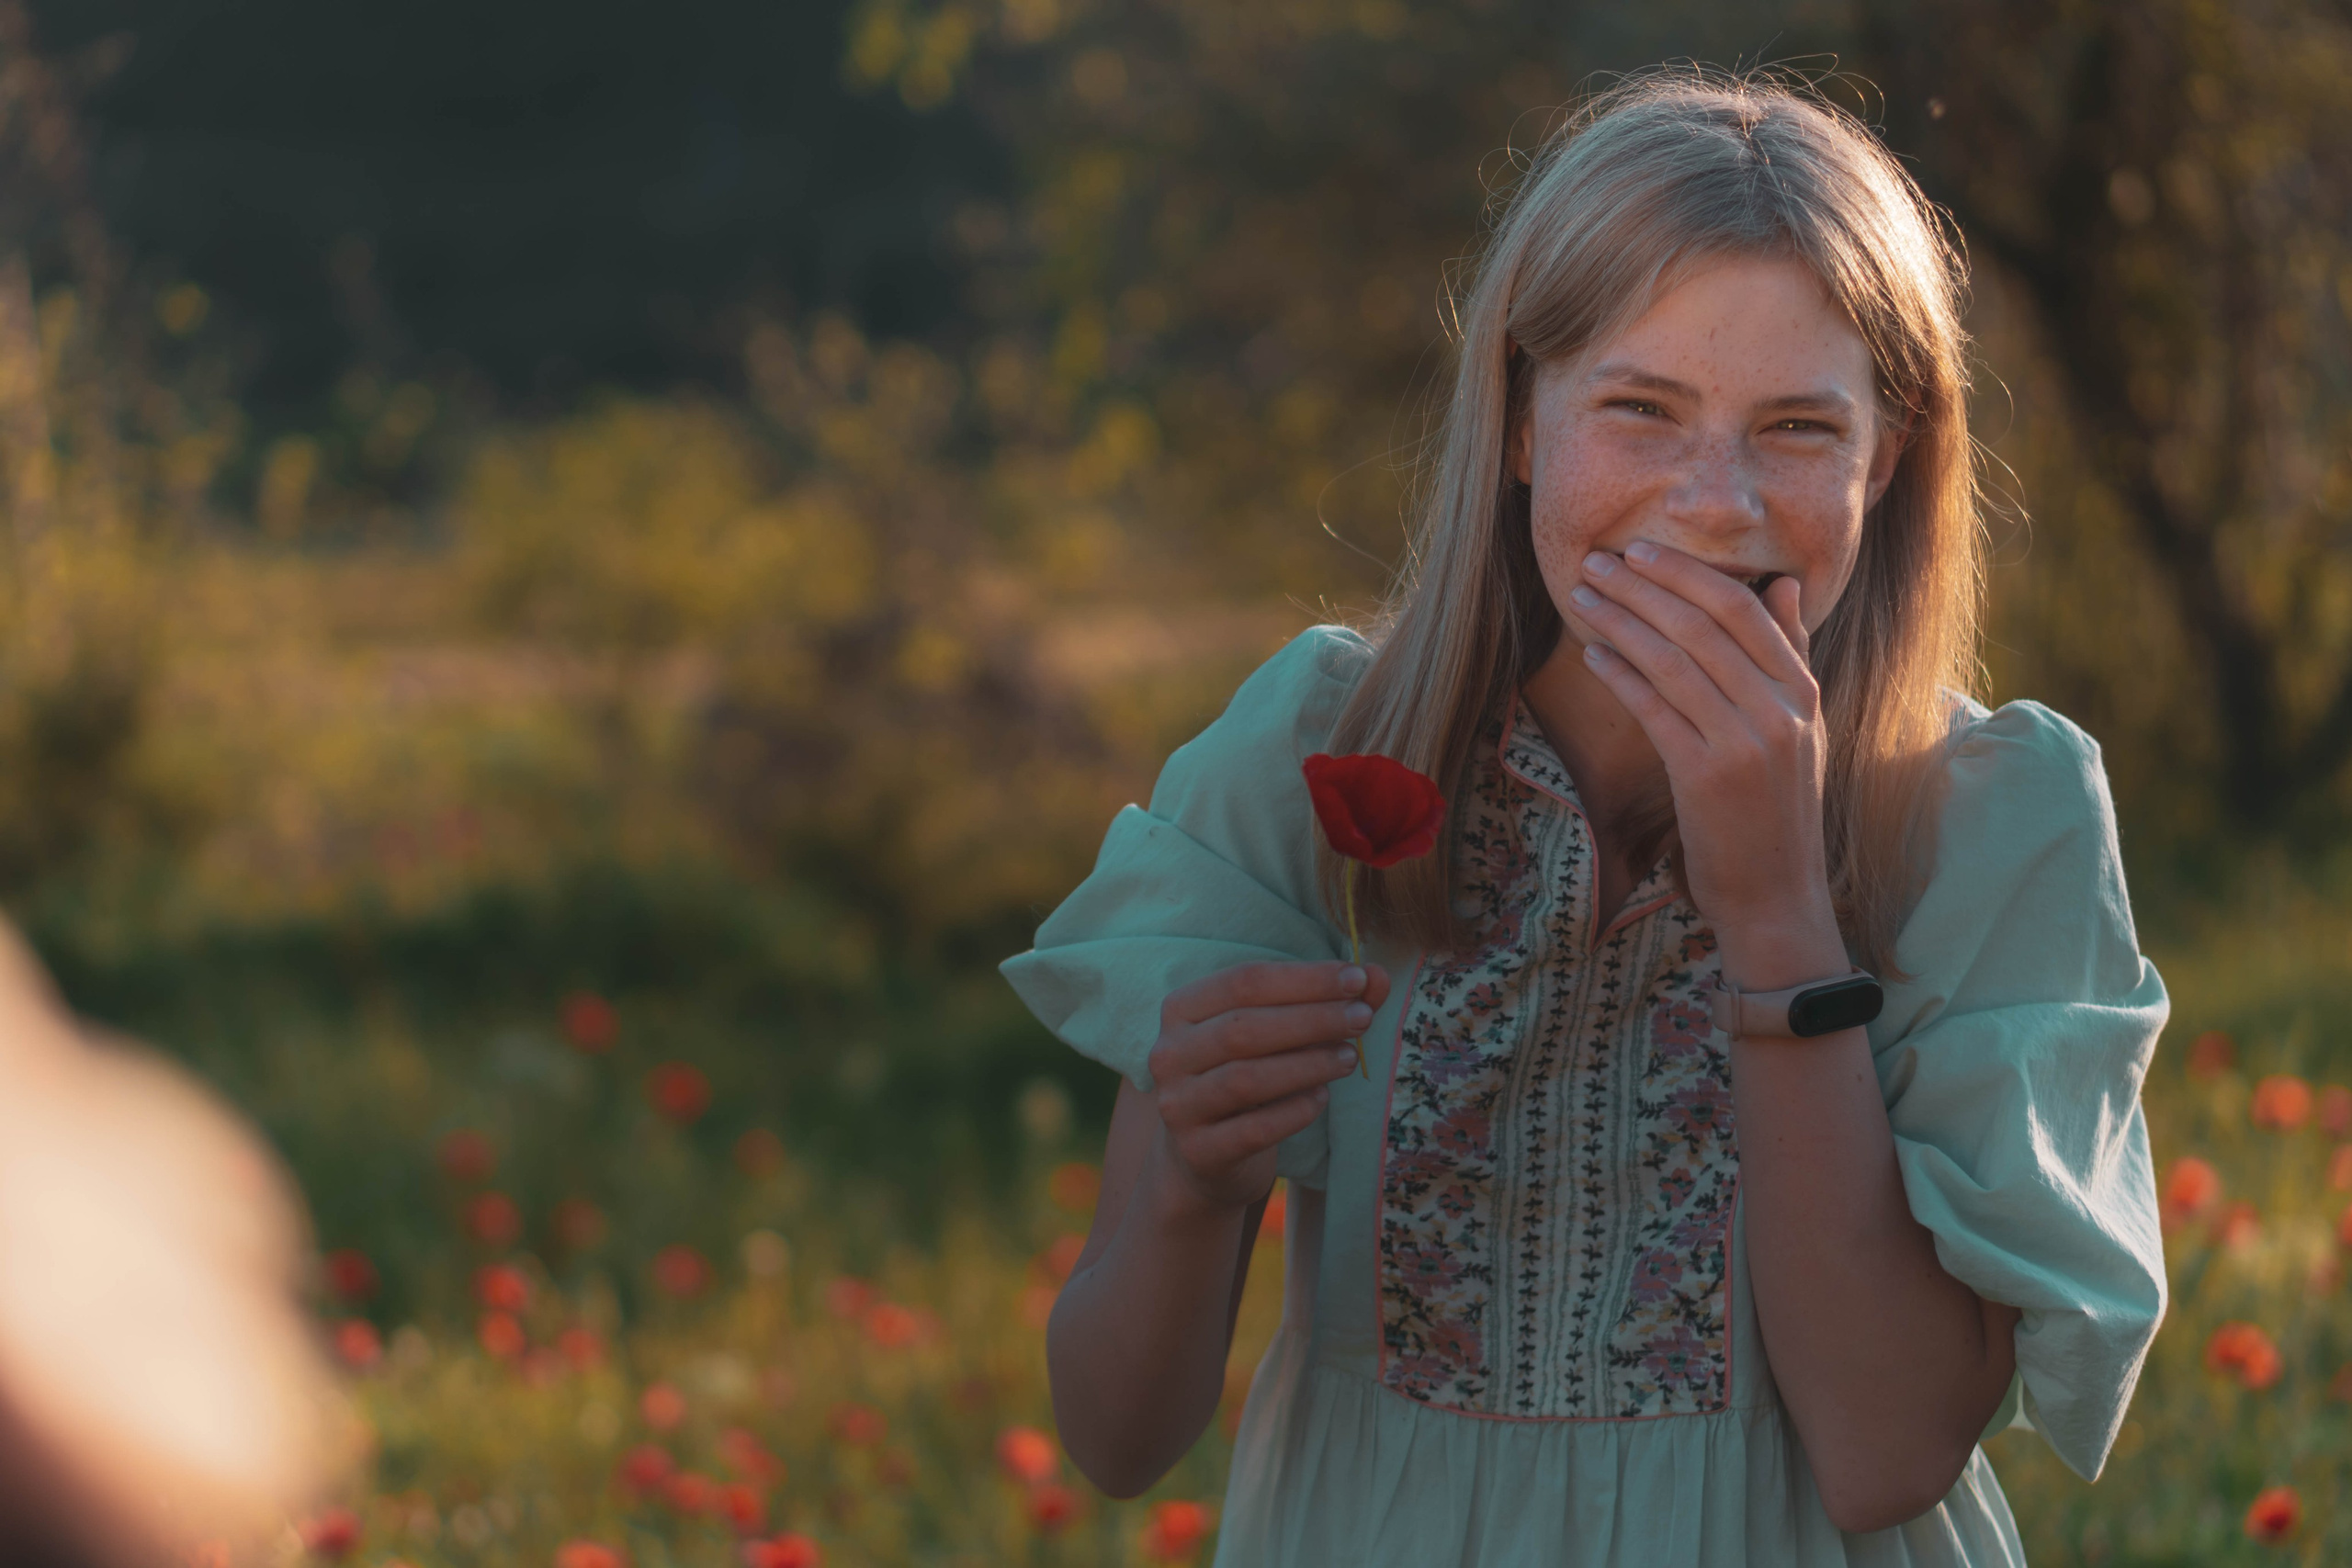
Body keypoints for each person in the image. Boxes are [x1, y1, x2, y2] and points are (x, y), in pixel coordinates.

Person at [999, 68, 2168, 1567]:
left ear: (1893, 459)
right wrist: (1182, 1175)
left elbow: (1887, 1454)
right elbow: (1113, 1434)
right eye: (1642, 409)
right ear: (1522, 425)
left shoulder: (1990, 821)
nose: (1717, 500)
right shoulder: (1316, 757)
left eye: (1800, 428)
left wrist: (1775, 919)